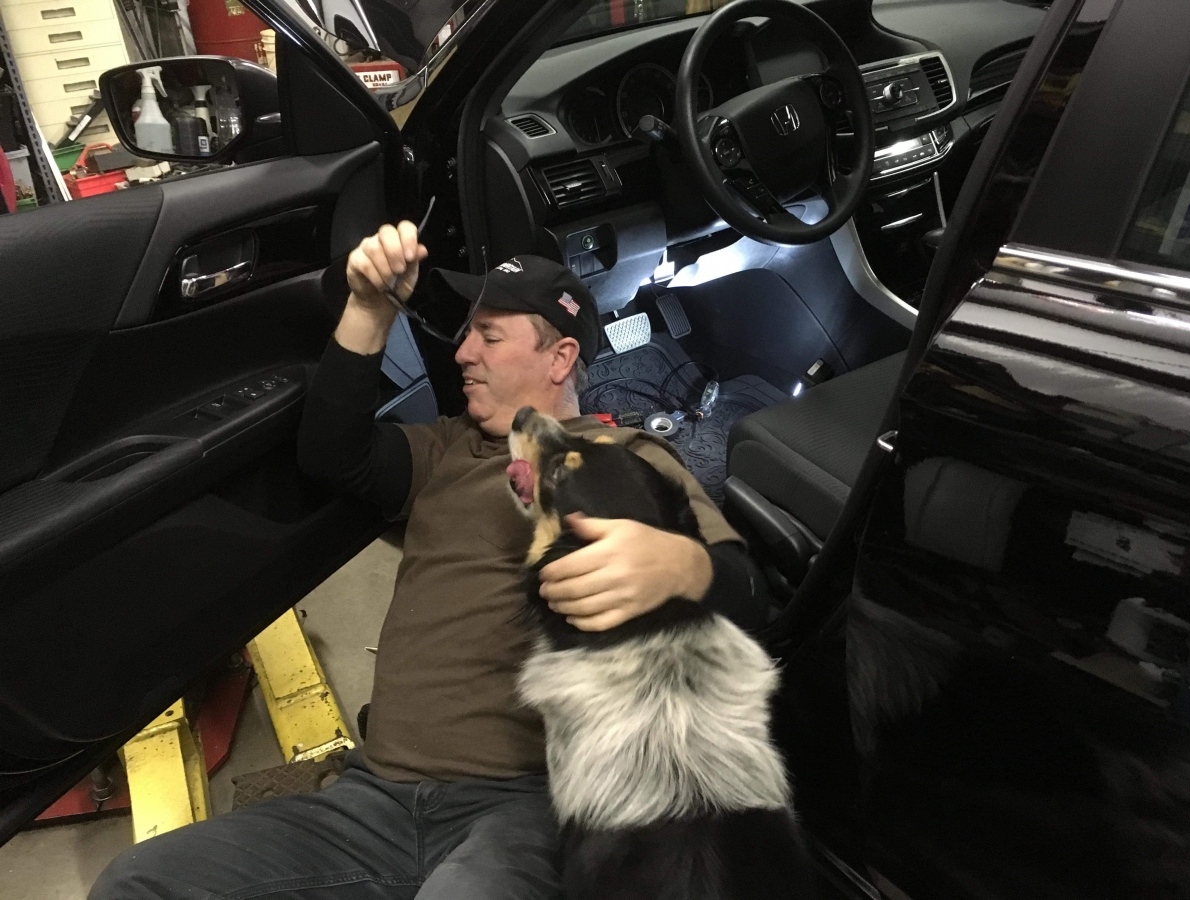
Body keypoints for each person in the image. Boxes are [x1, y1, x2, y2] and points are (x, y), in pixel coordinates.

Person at [90, 220, 771, 900]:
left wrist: (681, 570)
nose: (463, 352)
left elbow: (743, 588)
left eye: (490, 336)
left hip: (519, 805)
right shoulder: (446, 450)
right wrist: (368, 309)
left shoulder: (626, 460)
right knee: (140, 882)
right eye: (468, 332)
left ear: (560, 358)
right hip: (370, 800)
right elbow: (330, 451)